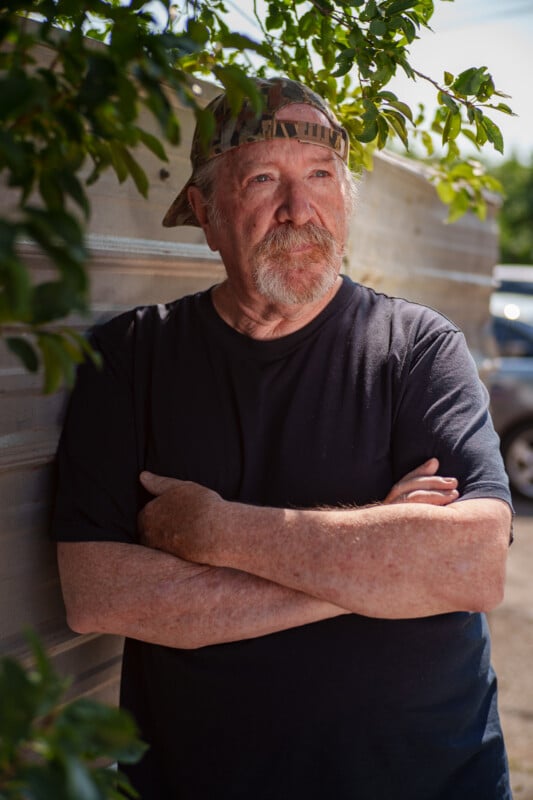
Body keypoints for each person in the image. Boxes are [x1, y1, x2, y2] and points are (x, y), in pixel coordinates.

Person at [53, 77, 513, 800]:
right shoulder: (132, 357)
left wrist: (216, 529)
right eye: (264, 178)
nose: (299, 211)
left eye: (321, 178)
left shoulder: (418, 347)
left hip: (425, 779)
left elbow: (472, 565)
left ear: (346, 201)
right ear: (203, 212)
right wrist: (379, 569)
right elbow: (99, 597)